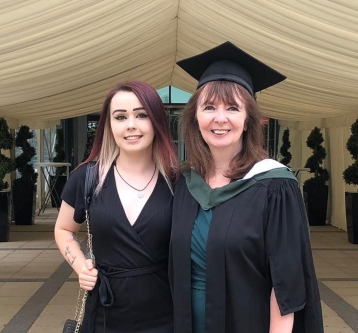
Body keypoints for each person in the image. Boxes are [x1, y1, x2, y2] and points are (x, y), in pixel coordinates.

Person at [169, 42, 324, 333]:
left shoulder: (274, 187)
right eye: (209, 107)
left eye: (232, 108)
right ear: (195, 116)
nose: (220, 118)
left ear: (248, 119)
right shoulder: (184, 183)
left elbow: (286, 284)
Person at [55, 80, 178, 332]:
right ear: (109, 126)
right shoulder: (87, 178)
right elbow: (64, 229)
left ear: (156, 121)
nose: (131, 124)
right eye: (120, 117)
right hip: (104, 312)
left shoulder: (179, 182)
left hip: (165, 313)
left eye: (141, 115)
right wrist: (80, 266)